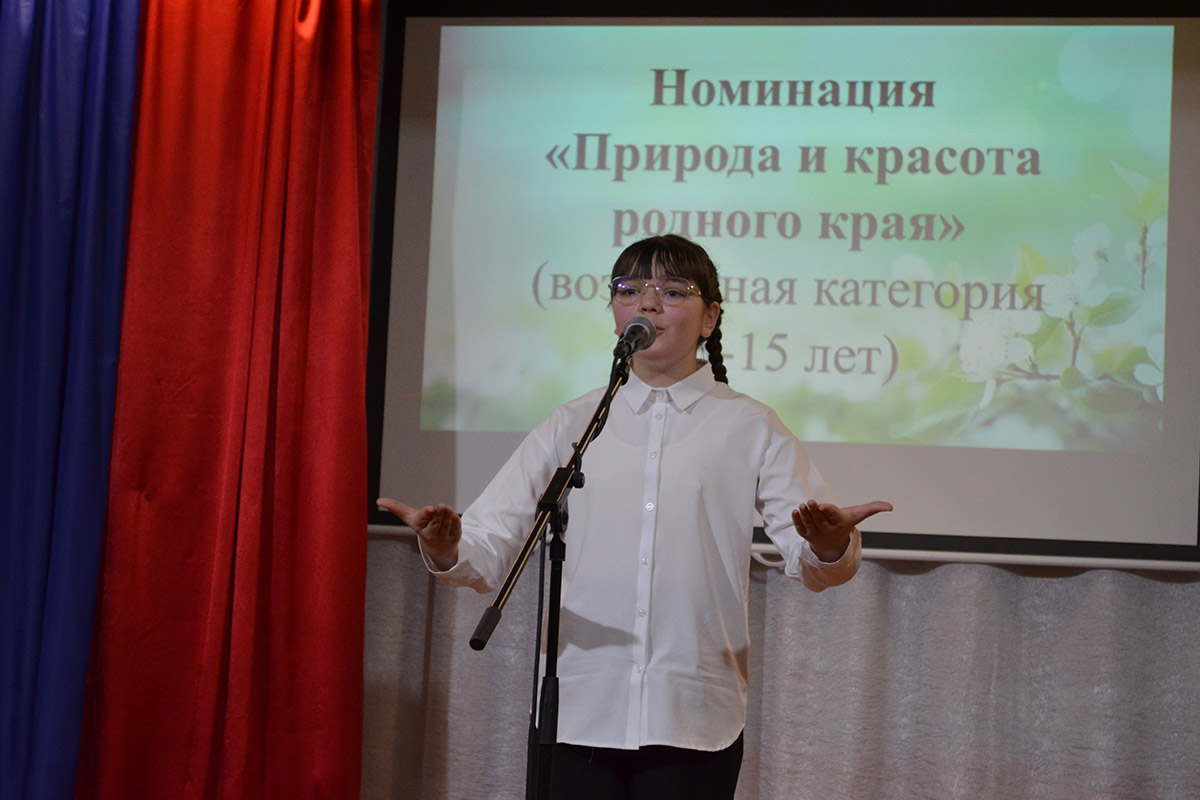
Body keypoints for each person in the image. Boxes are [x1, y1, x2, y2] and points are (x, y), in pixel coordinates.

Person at [378, 234, 892, 800]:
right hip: (578, 708)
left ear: (710, 318)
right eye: (629, 290)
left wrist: (827, 543)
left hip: (693, 713)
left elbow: (811, 558)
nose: (647, 303)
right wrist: (446, 545)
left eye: (672, 291)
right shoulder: (572, 423)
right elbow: (492, 539)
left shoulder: (750, 425)